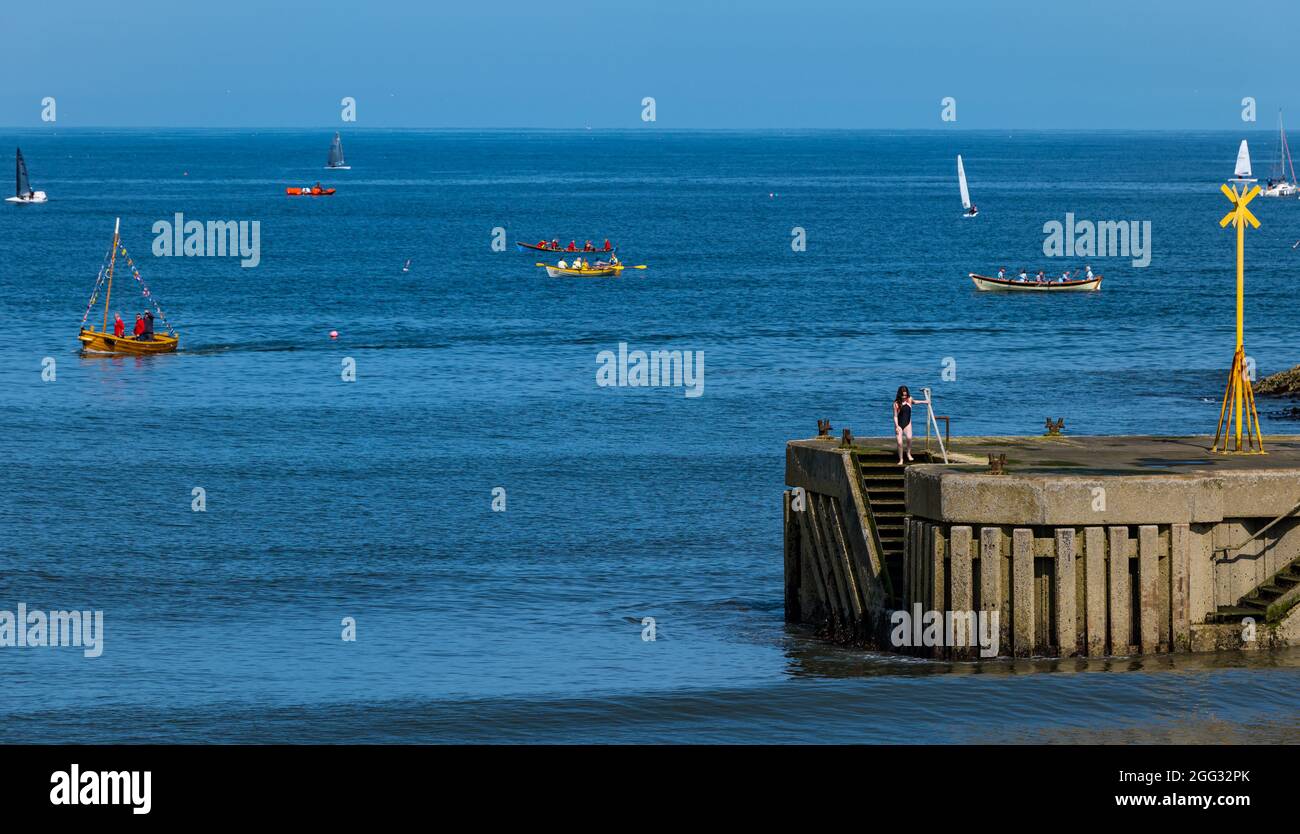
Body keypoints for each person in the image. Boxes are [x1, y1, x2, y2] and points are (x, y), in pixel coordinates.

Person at [893, 385, 929, 466]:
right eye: (903, 395)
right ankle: (901, 459)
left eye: (906, 395)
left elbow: (915, 402)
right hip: (899, 424)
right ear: (900, 394)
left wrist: (925, 401)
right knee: (899, 442)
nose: (904, 396)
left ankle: (908, 453)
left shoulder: (909, 399)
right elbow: (895, 416)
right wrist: (897, 426)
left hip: (908, 423)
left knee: (909, 438)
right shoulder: (896, 404)